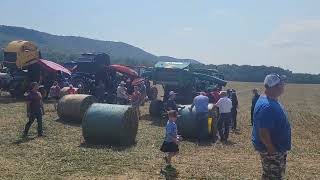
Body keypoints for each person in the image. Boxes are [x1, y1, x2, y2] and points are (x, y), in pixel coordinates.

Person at [252, 74, 291, 179]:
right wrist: (271, 149)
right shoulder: (267, 106)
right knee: (274, 177)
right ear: (276, 86)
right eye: (282, 84)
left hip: (277, 148)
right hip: (273, 150)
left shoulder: (271, 100)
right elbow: (263, 133)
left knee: (270, 176)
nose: (284, 86)